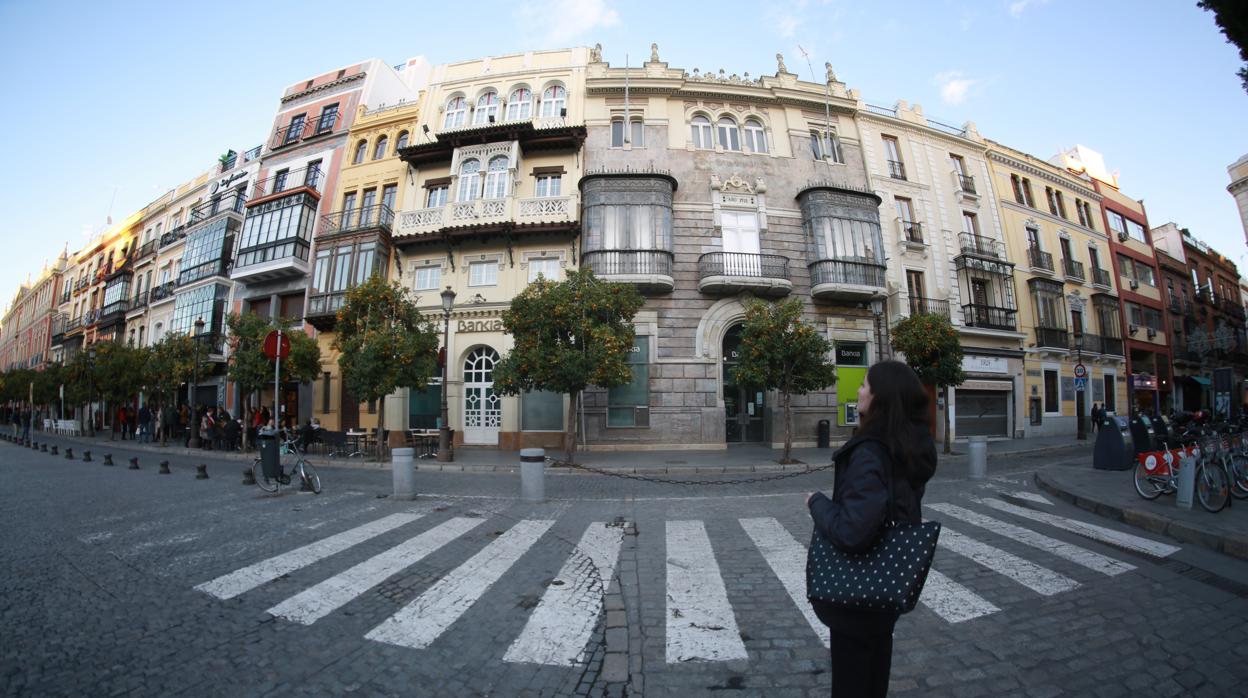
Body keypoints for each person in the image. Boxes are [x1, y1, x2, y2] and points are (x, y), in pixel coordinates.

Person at [805, 360, 937, 698]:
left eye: (864, 385)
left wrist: (816, 503)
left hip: (857, 598)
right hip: (885, 589)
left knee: (852, 683)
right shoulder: (906, 448)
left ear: (879, 397)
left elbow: (852, 532)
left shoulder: (871, 453)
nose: (859, 391)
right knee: (874, 677)